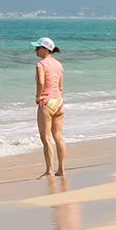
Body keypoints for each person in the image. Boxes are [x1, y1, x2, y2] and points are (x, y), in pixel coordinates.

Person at [33, 37, 66, 177]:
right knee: (58, 137)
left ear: (45, 49)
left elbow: (41, 81)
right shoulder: (58, 64)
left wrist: (38, 96)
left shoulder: (41, 64)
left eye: (37, 47)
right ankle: (62, 169)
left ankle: (49, 170)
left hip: (46, 102)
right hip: (58, 102)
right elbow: (60, 86)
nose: (35, 50)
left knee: (46, 138)